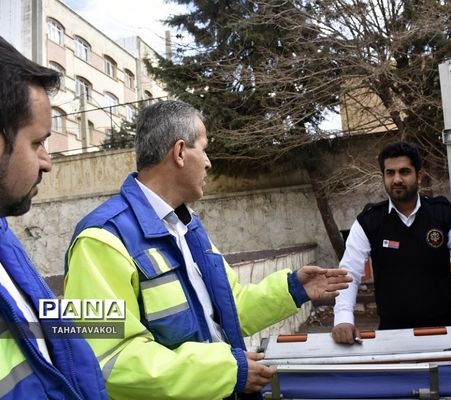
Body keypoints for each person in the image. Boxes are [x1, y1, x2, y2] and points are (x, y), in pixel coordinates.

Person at [64, 99, 351, 399]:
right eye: (203, 148)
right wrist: (226, 372)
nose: (209, 161)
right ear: (179, 152)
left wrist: (293, 289)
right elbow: (109, 358)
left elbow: (228, 308)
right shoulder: (100, 240)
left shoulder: (188, 229)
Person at [0, 30, 106, 399]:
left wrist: (119, 320)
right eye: (37, 142)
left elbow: (39, 322)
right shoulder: (107, 231)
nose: (47, 162)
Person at [331, 141, 451, 345]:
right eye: (390, 173)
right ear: (383, 177)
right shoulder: (369, 221)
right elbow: (348, 272)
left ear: (419, 176)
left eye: (404, 172)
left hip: (444, 331)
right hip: (391, 336)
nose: (397, 179)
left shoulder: (444, 214)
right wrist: (343, 320)